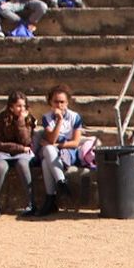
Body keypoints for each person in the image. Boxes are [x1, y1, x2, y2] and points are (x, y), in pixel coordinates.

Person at [36, 84, 85, 215]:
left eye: (62, 102)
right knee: (46, 158)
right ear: (50, 103)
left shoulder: (75, 117)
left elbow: (75, 142)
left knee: (47, 150)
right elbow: (52, 139)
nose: (59, 105)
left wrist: (57, 146)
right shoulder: (47, 117)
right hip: (53, 154)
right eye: (56, 102)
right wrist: (59, 120)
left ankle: (50, 199)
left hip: (68, 152)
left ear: (67, 102)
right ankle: (61, 182)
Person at [0, 90, 38, 218]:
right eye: (18, 106)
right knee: (1, 167)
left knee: (22, 164)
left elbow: (27, 141)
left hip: (22, 153)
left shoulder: (29, 119)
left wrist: (21, 122)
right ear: (11, 107)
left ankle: (31, 203)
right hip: (3, 152)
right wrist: (20, 148)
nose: (21, 109)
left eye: (23, 106)